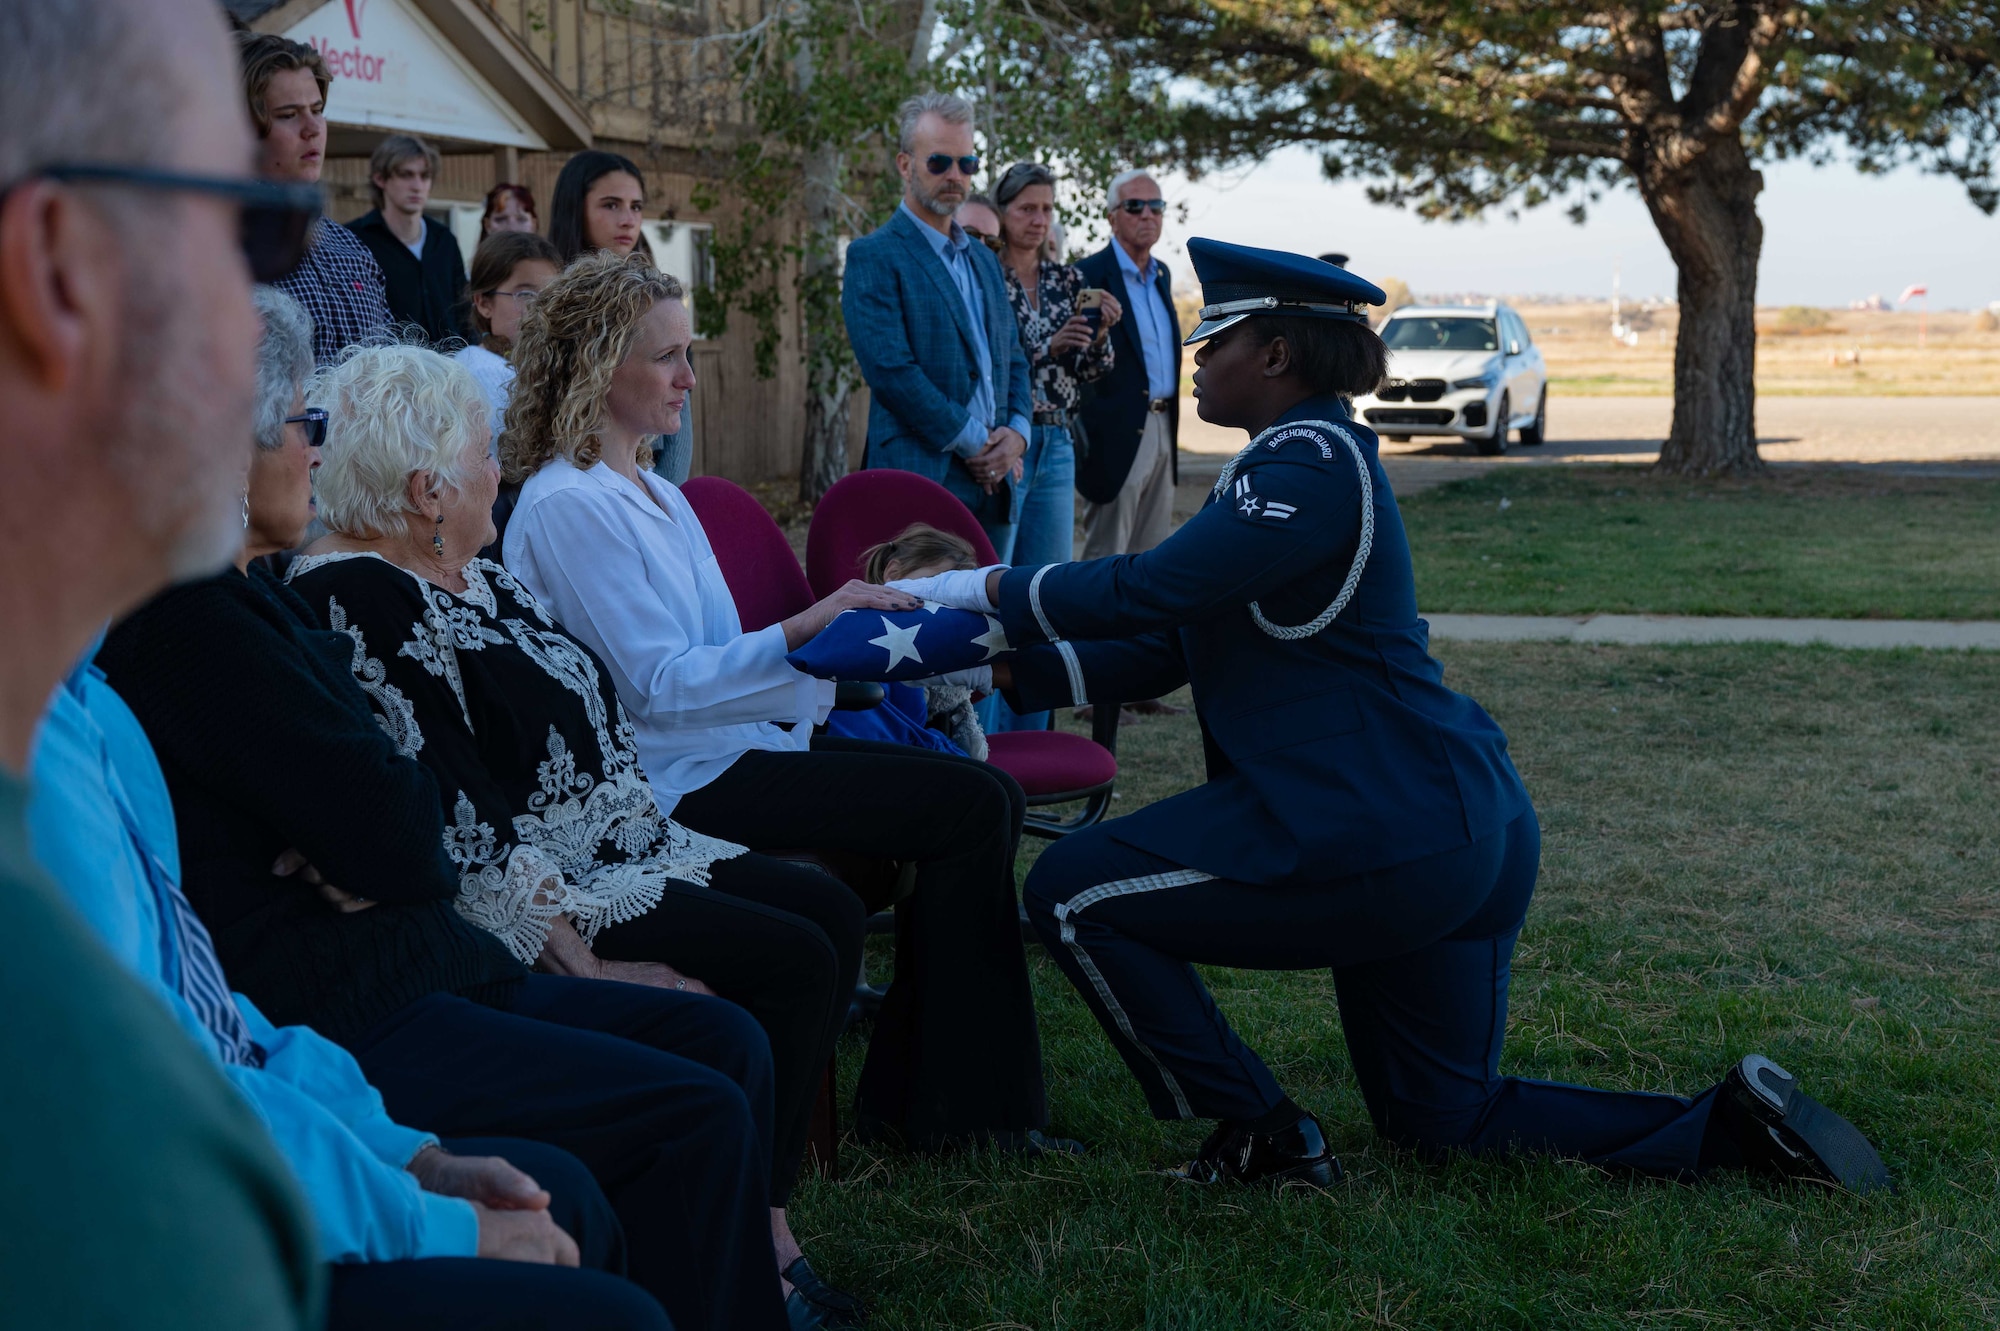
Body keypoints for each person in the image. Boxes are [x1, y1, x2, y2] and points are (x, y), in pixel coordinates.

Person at [898, 238, 1893, 1196]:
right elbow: (1180, 642)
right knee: (1442, 1117)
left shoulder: (1303, 464)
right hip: (1460, 825)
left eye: (1217, 342)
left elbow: (1154, 589)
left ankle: (1263, 1133)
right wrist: (993, 668)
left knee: (1073, 888)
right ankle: (1726, 1128)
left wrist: (963, 591)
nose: (1196, 362)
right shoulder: (1306, 458)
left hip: (1380, 823)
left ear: (1276, 354)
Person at [98, 288, 792, 1331]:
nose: (317, 455)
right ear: (223, 453)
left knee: (723, 1043)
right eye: (301, 423)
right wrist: (375, 826)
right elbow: (406, 828)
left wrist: (369, 824)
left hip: (423, 959)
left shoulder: (260, 602)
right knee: (689, 1108)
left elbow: (397, 811)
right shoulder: (204, 619)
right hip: (363, 1000)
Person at [288, 341, 866, 1328]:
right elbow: (452, 804)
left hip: (625, 837)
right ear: (429, 489)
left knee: (820, 911)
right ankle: (756, 1242)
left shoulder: (477, 569)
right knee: (786, 951)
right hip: (554, 889)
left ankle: (762, 1212)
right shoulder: (356, 598)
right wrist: (579, 959)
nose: (497, 468)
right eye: (482, 452)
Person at [502, 252, 1058, 1156]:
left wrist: (848, 650)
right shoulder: (570, 508)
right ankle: (955, 1112)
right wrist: (810, 630)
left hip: (732, 748)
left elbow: (721, 657)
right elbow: (661, 687)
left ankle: (940, 1092)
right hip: (667, 782)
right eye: (669, 357)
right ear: (601, 366)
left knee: (986, 794)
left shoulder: (654, 492)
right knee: (967, 804)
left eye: (691, 352)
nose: (690, 376)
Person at [30, 650, 671, 1331]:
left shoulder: (87, 705)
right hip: (162, 1234)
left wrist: (410, 1155)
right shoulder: (151, 654)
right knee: (657, 1156)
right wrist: (429, 1220)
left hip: (360, 1010)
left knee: (568, 1185)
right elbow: (150, 1099)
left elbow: (211, 1015)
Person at [0, 0, 324, 1323]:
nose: (261, 324)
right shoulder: (72, 1102)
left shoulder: (83, 733)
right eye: (249, 229)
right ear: (62, 270)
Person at [841, 93, 1033, 561]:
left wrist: (1017, 434)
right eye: (939, 161)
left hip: (999, 481)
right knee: (925, 626)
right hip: (922, 481)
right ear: (905, 165)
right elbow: (892, 372)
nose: (955, 176)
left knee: (990, 626)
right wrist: (979, 443)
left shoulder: (986, 261)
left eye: (967, 162)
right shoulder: (874, 256)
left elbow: (1013, 358)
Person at [989, 161, 1119, 733]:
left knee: (1046, 596)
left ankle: (1033, 737)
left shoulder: (1069, 281)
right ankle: (984, 737)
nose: (1038, 220)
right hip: (1008, 440)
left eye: (1046, 209)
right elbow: (994, 364)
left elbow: (1094, 369)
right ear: (1002, 212)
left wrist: (1101, 333)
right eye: (1026, 209)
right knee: (995, 590)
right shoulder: (986, 274)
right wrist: (1047, 347)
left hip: (1060, 438)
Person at [241, 32, 393, 364]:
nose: (312, 128)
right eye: (288, 114)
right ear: (243, 129)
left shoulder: (352, 249)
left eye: (317, 109)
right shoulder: (224, 248)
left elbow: (387, 375)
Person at [547, 149, 694, 485]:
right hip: (571, 487)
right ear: (575, 208)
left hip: (650, 479)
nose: (628, 219)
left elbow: (681, 424)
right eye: (611, 205)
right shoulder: (549, 306)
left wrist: (659, 497)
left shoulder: (658, 302)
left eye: (636, 207)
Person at [347, 134, 470, 345]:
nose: (417, 185)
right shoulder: (354, 240)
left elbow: (463, 310)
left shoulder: (444, 240)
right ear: (380, 179)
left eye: (425, 176)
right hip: (390, 368)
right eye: (406, 175)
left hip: (452, 367)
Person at [455, 229, 563, 444]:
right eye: (525, 295)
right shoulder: (482, 371)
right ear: (484, 303)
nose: (542, 308)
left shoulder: (541, 366)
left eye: (551, 295)